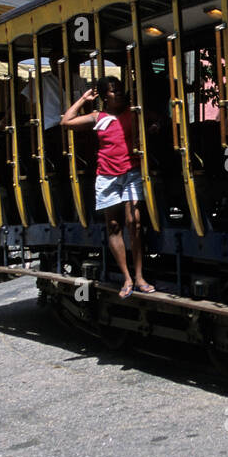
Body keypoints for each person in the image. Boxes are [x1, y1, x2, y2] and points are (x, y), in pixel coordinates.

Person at [61, 76, 152, 298]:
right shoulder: (97, 117)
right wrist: (84, 98)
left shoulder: (133, 112)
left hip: (132, 172)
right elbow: (66, 122)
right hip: (106, 177)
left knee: (135, 222)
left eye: (120, 90)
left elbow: (156, 120)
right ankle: (127, 278)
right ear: (104, 96)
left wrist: (154, 126)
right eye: (113, 91)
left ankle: (140, 276)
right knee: (113, 225)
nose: (118, 93)